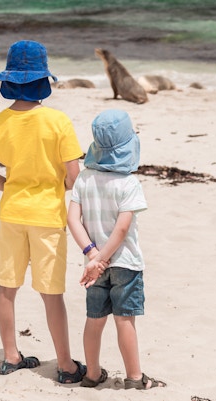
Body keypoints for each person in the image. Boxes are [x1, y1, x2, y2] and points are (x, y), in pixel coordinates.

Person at [0, 40, 86, 383]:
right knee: (51, 293)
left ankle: (11, 356)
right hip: (47, 217)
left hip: (12, 213)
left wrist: (12, 187)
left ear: (9, 81)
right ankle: (67, 366)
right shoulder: (57, 122)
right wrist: (57, 188)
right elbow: (74, 176)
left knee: (6, 287)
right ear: (44, 81)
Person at [67, 109, 166, 389]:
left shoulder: (84, 179)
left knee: (94, 320)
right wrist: (102, 258)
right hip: (125, 263)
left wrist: (92, 256)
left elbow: (72, 219)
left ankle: (92, 374)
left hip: (94, 268)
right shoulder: (129, 183)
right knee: (125, 320)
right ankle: (135, 378)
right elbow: (122, 229)